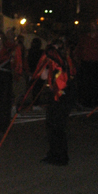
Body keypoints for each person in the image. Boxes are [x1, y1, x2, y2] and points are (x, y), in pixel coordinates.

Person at [36, 36, 75, 166]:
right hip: (59, 95)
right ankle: (54, 153)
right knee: (53, 126)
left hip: (61, 95)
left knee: (57, 126)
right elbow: (44, 76)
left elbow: (47, 76)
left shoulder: (63, 61)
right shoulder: (61, 60)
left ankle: (60, 156)